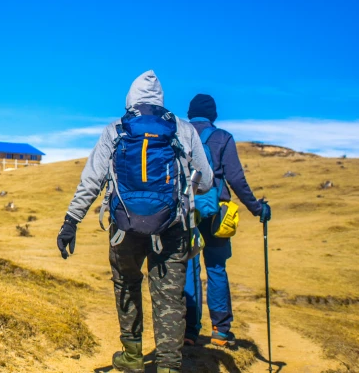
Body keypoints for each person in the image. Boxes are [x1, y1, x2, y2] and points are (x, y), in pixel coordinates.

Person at [56, 71, 213, 373]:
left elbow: (92, 180)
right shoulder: (182, 129)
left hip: (124, 227)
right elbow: (205, 181)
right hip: (172, 227)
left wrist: (71, 221)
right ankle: (168, 366)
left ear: (130, 98)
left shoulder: (115, 129)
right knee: (169, 296)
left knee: (126, 283)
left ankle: (131, 355)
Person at [183, 94, 272, 347]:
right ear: (214, 115)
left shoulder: (181, 136)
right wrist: (257, 209)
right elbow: (236, 179)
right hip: (216, 213)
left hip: (186, 212)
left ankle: (189, 331)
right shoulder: (223, 137)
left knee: (190, 268)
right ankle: (220, 331)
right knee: (216, 269)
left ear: (190, 114)